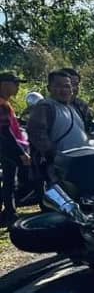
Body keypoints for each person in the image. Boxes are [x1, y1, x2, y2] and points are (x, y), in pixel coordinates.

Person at [27, 71, 91, 185]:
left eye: (67, 86)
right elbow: (37, 133)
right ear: (49, 88)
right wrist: (53, 155)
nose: (63, 90)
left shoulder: (73, 108)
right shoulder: (46, 106)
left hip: (79, 165)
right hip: (60, 170)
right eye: (58, 86)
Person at [0, 72, 31, 225]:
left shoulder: (5, 102)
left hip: (6, 146)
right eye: (16, 83)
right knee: (10, 181)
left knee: (9, 180)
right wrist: (21, 152)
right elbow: (5, 131)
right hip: (6, 147)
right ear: (4, 84)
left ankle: (8, 211)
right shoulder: (2, 104)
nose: (18, 87)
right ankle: (10, 213)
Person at [60, 67, 94, 135]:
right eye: (69, 85)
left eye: (76, 84)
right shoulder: (48, 107)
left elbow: (91, 127)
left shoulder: (82, 106)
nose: (73, 88)